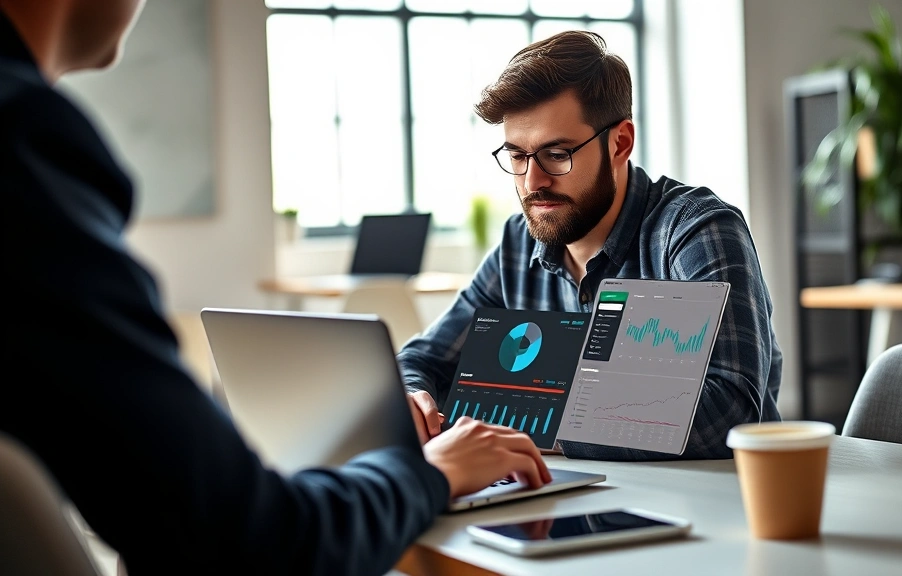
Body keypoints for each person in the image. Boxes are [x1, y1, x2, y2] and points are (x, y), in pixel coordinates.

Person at [0, 1, 550, 574]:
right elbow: (248, 539)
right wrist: (429, 471)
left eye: (557, 154)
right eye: (518, 155)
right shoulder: (22, 141)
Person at [400, 30, 782, 461]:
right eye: (517, 156)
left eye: (557, 154)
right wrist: (415, 399)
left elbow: (731, 409)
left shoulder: (695, 231)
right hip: (563, 497)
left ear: (619, 143)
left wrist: (534, 423)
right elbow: (423, 359)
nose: (532, 181)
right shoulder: (515, 244)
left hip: (707, 507)